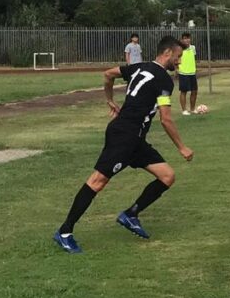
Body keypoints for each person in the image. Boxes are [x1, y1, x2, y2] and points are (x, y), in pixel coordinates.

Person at [53, 36, 194, 254]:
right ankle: (64, 232)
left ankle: (130, 214)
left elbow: (108, 74)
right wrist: (182, 147)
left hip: (135, 139)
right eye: (177, 57)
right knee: (97, 181)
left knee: (167, 176)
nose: (179, 62)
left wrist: (110, 99)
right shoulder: (164, 81)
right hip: (124, 136)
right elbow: (165, 119)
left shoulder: (138, 67)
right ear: (167, 53)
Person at [178, 32, 199, 114]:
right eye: (185, 38)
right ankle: (184, 110)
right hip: (183, 73)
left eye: (188, 38)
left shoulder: (193, 48)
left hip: (192, 73)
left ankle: (192, 109)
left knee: (194, 91)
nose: (187, 40)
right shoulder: (179, 49)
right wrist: (177, 69)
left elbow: (194, 58)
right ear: (182, 40)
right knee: (184, 91)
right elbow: (177, 59)